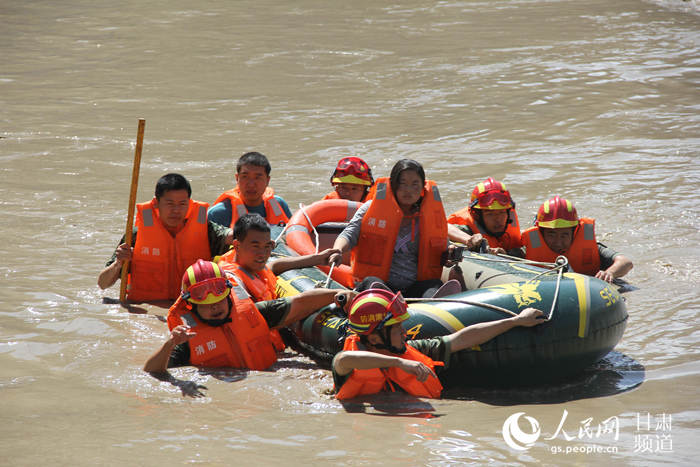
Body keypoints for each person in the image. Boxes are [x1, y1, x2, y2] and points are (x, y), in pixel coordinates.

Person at [143, 259, 354, 372]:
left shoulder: (255, 313)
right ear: (191, 306)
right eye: (206, 304)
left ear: (228, 295)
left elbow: (300, 303)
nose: (214, 307)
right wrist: (169, 344)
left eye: (218, 300)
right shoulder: (187, 339)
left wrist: (338, 294)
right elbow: (151, 371)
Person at [332, 288, 545, 399]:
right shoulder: (346, 367)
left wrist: (515, 321)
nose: (405, 333)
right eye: (397, 329)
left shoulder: (411, 351)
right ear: (375, 337)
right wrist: (400, 365)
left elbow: (461, 339)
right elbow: (345, 359)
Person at [328, 159, 456, 298]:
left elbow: (442, 246)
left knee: (434, 284)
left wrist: (449, 254)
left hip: (414, 285)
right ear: (394, 185)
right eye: (403, 183)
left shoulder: (429, 216)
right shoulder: (370, 208)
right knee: (372, 283)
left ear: (422, 189)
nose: (408, 190)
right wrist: (338, 250)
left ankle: (439, 305)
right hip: (379, 284)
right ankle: (386, 302)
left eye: (415, 184)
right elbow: (348, 234)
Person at [97, 173, 233, 303]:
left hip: (190, 308)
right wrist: (118, 263)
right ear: (156, 203)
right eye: (170, 203)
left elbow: (232, 237)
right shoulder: (135, 235)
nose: (176, 210)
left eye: (182, 204)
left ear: (189, 203)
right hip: (147, 311)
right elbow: (102, 284)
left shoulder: (207, 230)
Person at [217, 214, 339, 302]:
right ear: (237, 245)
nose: (262, 253)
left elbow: (273, 266)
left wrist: (318, 259)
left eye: (267, 246)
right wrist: (326, 295)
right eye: (255, 246)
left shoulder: (247, 263)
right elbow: (270, 312)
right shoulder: (229, 280)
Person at [522, 196, 633, 282]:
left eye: (564, 235)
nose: (558, 242)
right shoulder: (527, 251)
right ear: (541, 233)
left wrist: (609, 273)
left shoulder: (592, 248)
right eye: (551, 234)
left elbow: (626, 262)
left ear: (574, 233)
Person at [208, 151, 292, 228]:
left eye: (257, 178)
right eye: (245, 177)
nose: (251, 184)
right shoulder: (218, 213)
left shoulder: (278, 204)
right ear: (237, 178)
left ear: (267, 180)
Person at [447, 177, 524, 256]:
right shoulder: (465, 230)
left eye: (502, 212)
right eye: (490, 214)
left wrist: (507, 255)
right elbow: (444, 228)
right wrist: (468, 240)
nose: (498, 219)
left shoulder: (516, 234)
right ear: (477, 215)